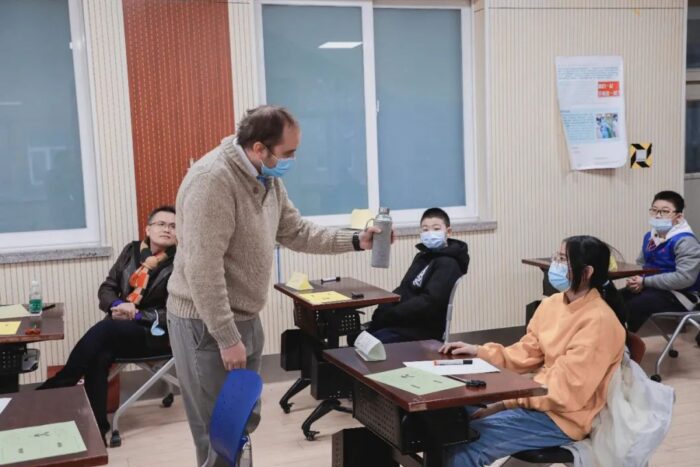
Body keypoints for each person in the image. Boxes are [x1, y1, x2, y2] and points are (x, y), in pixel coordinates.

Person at [166, 105, 388, 466]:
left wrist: (354, 240)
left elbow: (295, 230)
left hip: (244, 316)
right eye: (289, 152)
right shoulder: (212, 181)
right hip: (205, 324)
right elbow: (202, 269)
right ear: (259, 148)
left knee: (242, 423)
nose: (292, 160)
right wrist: (226, 336)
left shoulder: (265, 178)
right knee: (218, 432)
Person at [440, 235, 626, 467]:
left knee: (464, 448)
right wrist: (478, 352)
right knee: (447, 423)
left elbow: (564, 392)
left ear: (587, 272)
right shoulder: (552, 304)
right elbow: (525, 352)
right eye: (556, 257)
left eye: (563, 260)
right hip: (538, 400)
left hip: (563, 417)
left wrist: (504, 403)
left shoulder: (599, 322)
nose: (555, 265)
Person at [38, 205, 177, 440]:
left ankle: (63, 381)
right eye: (161, 224)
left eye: (173, 226)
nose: (167, 229)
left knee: (106, 330)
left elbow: (176, 312)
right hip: (119, 328)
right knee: (99, 355)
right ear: (148, 229)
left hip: (156, 334)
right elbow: (107, 288)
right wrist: (117, 305)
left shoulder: (181, 263)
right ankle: (98, 427)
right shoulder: (131, 251)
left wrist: (137, 315)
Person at [365, 207, 469, 343]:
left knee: (371, 342)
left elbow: (430, 302)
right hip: (403, 322)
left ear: (448, 232)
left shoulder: (449, 263)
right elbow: (404, 288)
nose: (430, 233)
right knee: (357, 336)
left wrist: (391, 315)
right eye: (425, 230)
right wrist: (384, 308)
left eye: (436, 229)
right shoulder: (422, 257)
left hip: (423, 330)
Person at [622, 190, 700, 333]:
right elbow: (641, 264)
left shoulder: (685, 241)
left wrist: (645, 282)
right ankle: (616, 340)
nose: (658, 215)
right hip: (653, 289)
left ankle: (631, 343)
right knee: (613, 299)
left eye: (664, 211)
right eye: (654, 210)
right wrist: (635, 281)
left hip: (680, 295)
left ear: (678, 216)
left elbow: (684, 278)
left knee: (634, 306)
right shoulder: (650, 236)